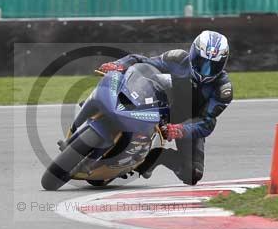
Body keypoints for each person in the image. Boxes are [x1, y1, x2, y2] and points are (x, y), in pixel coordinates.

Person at [98, 30, 233, 185]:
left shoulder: (223, 89)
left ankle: (156, 156)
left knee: (192, 174)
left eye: (212, 66)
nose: (205, 71)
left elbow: (207, 122)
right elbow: (142, 62)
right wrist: (119, 64)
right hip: (161, 104)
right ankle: (101, 108)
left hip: (188, 121)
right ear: (193, 53)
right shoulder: (177, 58)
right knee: (131, 82)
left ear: (223, 63)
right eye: (201, 63)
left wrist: (181, 129)